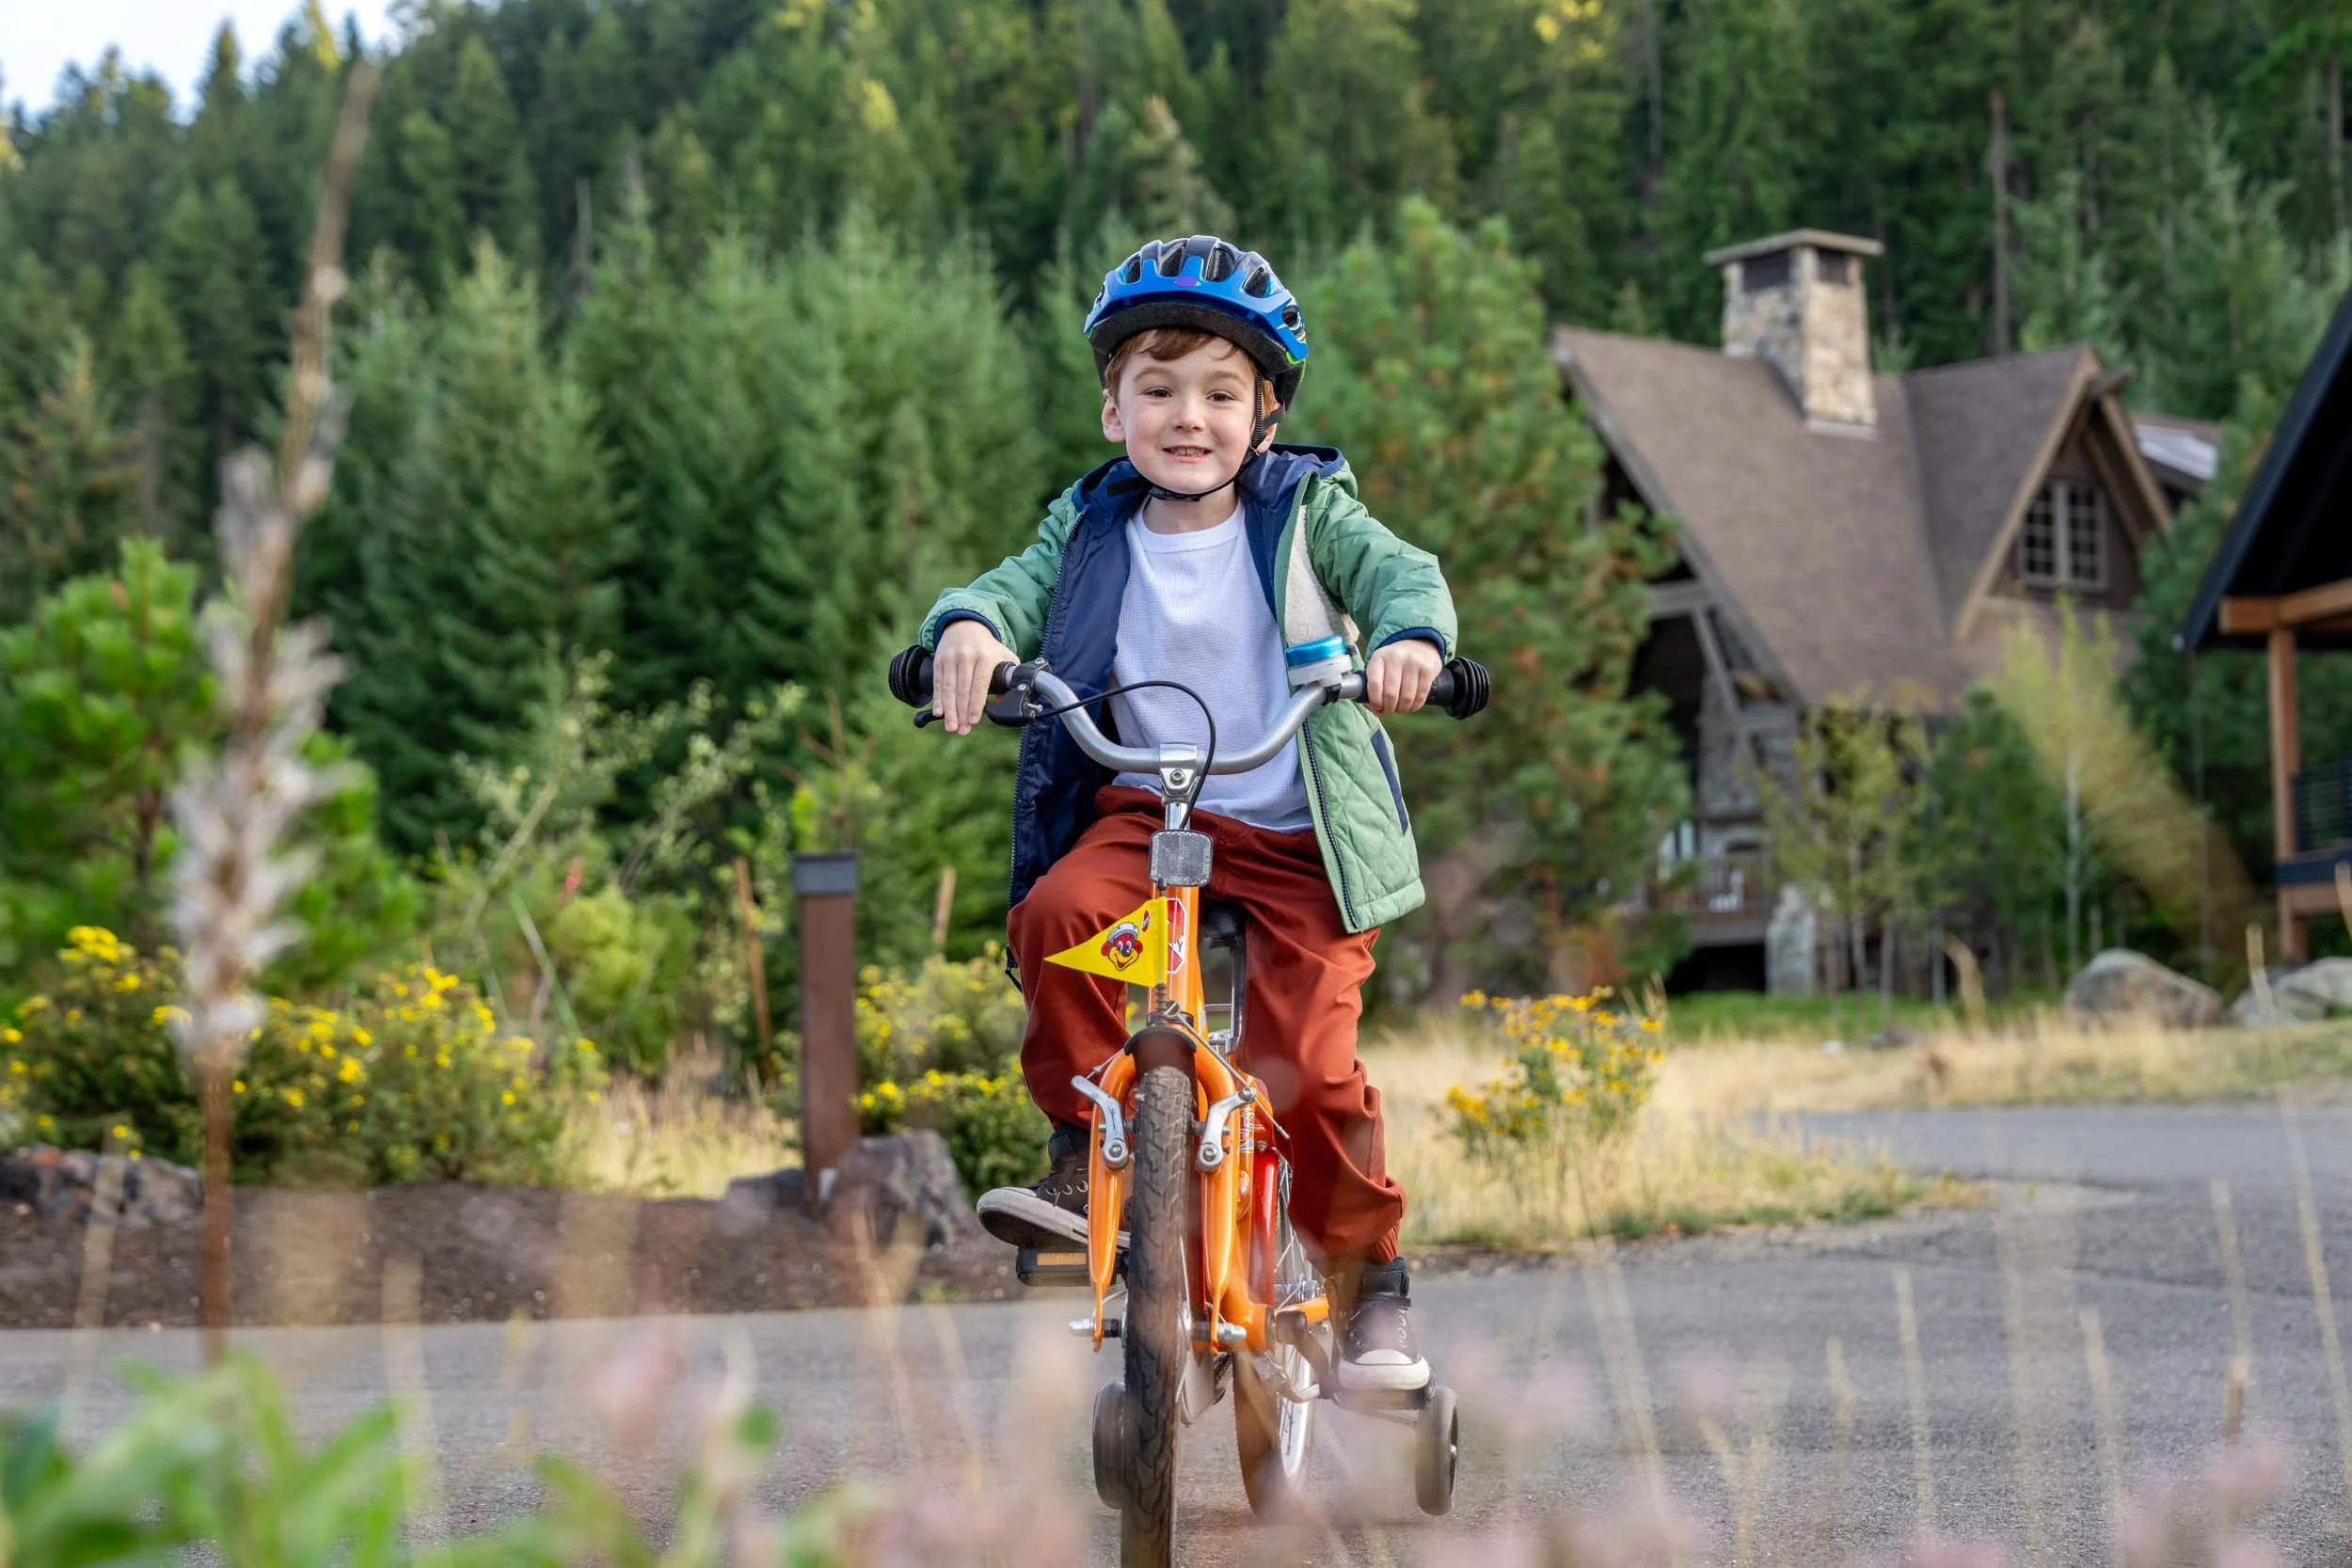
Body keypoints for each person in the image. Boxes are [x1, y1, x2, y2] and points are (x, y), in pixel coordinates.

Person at [913, 234, 1455, 1393]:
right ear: (1113, 411)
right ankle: (1086, 1150)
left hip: (1298, 830)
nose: (1188, 416)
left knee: (1305, 1066)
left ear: (1265, 415)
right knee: (1056, 916)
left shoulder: (1308, 510)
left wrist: (1410, 640)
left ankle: (1371, 1287)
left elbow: (1400, 574)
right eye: (1156, 389)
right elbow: (1008, 587)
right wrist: (966, 628)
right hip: (1147, 815)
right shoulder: (1091, 524)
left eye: (1220, 392)